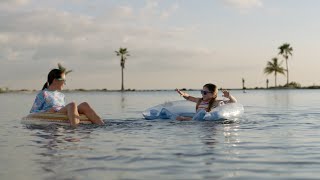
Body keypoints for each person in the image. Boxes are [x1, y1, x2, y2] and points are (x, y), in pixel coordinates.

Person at [30, 68, 104, 127]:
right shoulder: (43, 94)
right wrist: (47, 111)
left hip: (61, 112)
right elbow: (33, 112)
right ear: (55, 80)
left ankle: (102, 125)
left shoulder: (61, 95)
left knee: (84, 105)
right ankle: (75, 128)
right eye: (63, 80)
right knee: (72, 104)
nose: (65, 83)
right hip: (54, 113)